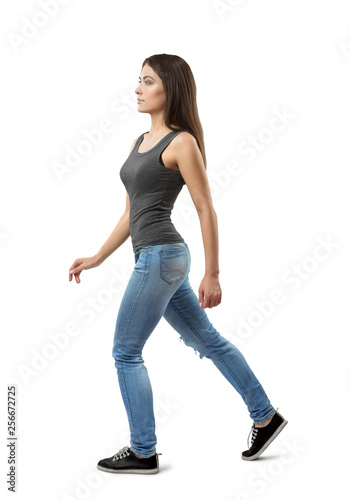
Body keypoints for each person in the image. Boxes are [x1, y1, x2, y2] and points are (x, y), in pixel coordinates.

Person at [68, 54, 288, 475]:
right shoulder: (137, 144)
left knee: (125, 351)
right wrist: (97, 257)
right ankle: (266, 416)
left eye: (147, 81)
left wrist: (213, 273)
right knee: (208, 341)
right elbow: (129, 215)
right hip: (155, 257)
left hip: (162, 257)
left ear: (170, 89)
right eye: (139, 80)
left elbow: (205, 208)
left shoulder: (181, 142)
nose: (137, 88)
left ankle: (143, 450)